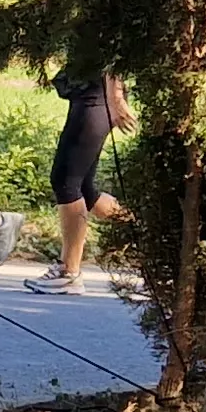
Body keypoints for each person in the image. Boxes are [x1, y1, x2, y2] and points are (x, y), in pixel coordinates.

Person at [26, 68, 130, 294]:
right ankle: (141, 231)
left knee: (65, 181)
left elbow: (112, 48)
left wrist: (116, 98)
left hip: (96, 99)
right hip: (91, 96)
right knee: (84, 189)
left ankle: (69, 272)